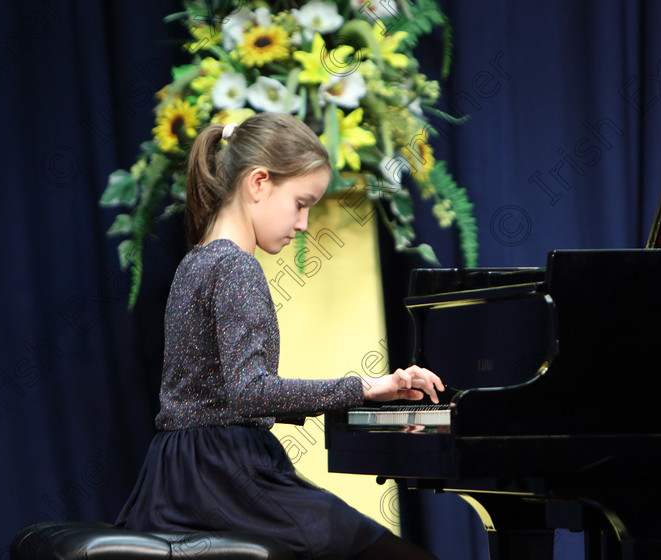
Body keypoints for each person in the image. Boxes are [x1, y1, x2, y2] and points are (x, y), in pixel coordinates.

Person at [116, 112, 444, 560]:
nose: (304, 223)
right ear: (258, 183)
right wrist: (368, 387)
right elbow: (250, 394)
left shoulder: (195, 261)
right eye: (301, 203)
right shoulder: (236, 267)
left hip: (177, 475)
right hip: (225, 477)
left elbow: (213, 395)